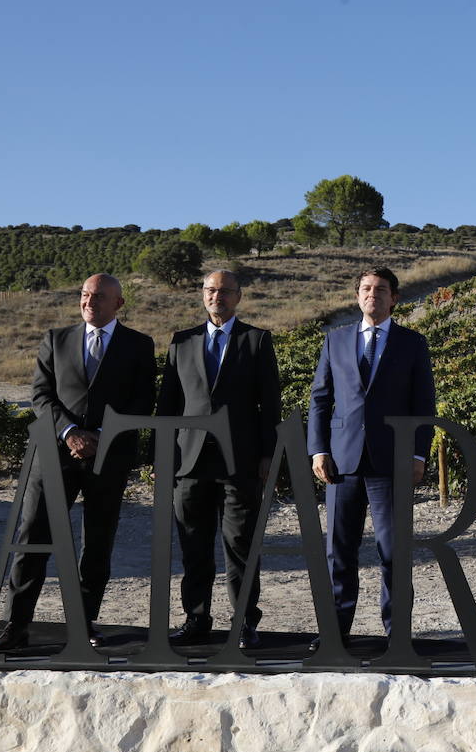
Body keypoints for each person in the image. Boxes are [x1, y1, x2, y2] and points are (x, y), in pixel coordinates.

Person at [0, 273, 156, 652]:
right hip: (54, 454)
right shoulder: (56, 339)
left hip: (108, 457)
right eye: (84, 295)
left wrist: (102, 435)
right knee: (33, 536)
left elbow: (143, 401)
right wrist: (71, 433)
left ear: (119, 304)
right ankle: (16, 625)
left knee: (97, 541)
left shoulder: (139, 345)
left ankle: (83, 623)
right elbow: (41, 396)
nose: (89, 302)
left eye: (98, 297)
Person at [308, 266, 435, 645]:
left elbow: (423, 403)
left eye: (380, 290)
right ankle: (334, 633)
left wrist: (418, 455)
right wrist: (319, 449)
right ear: (357, 295)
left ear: (394, 298)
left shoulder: (413, 343)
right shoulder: (335, 341)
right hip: (342, 463)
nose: (372, 295)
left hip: (391, 462)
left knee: (394, 552)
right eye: (366, 289)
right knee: (338, 552)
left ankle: (397, 635)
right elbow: (320, 399)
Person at [156, 270, 282, 650]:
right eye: (210, 290)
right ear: (203, 295)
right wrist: (162, 457)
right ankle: (196, 618)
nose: (217, 296)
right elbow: (168, 404)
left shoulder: (257, 340)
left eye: (225, 291)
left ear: (238, 296)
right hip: (189, 461)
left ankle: (245, 621)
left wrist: (266, 455)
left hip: (239, 461)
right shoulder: (182, 341)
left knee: (240, 546)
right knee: (193, 545)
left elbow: (269, 403)